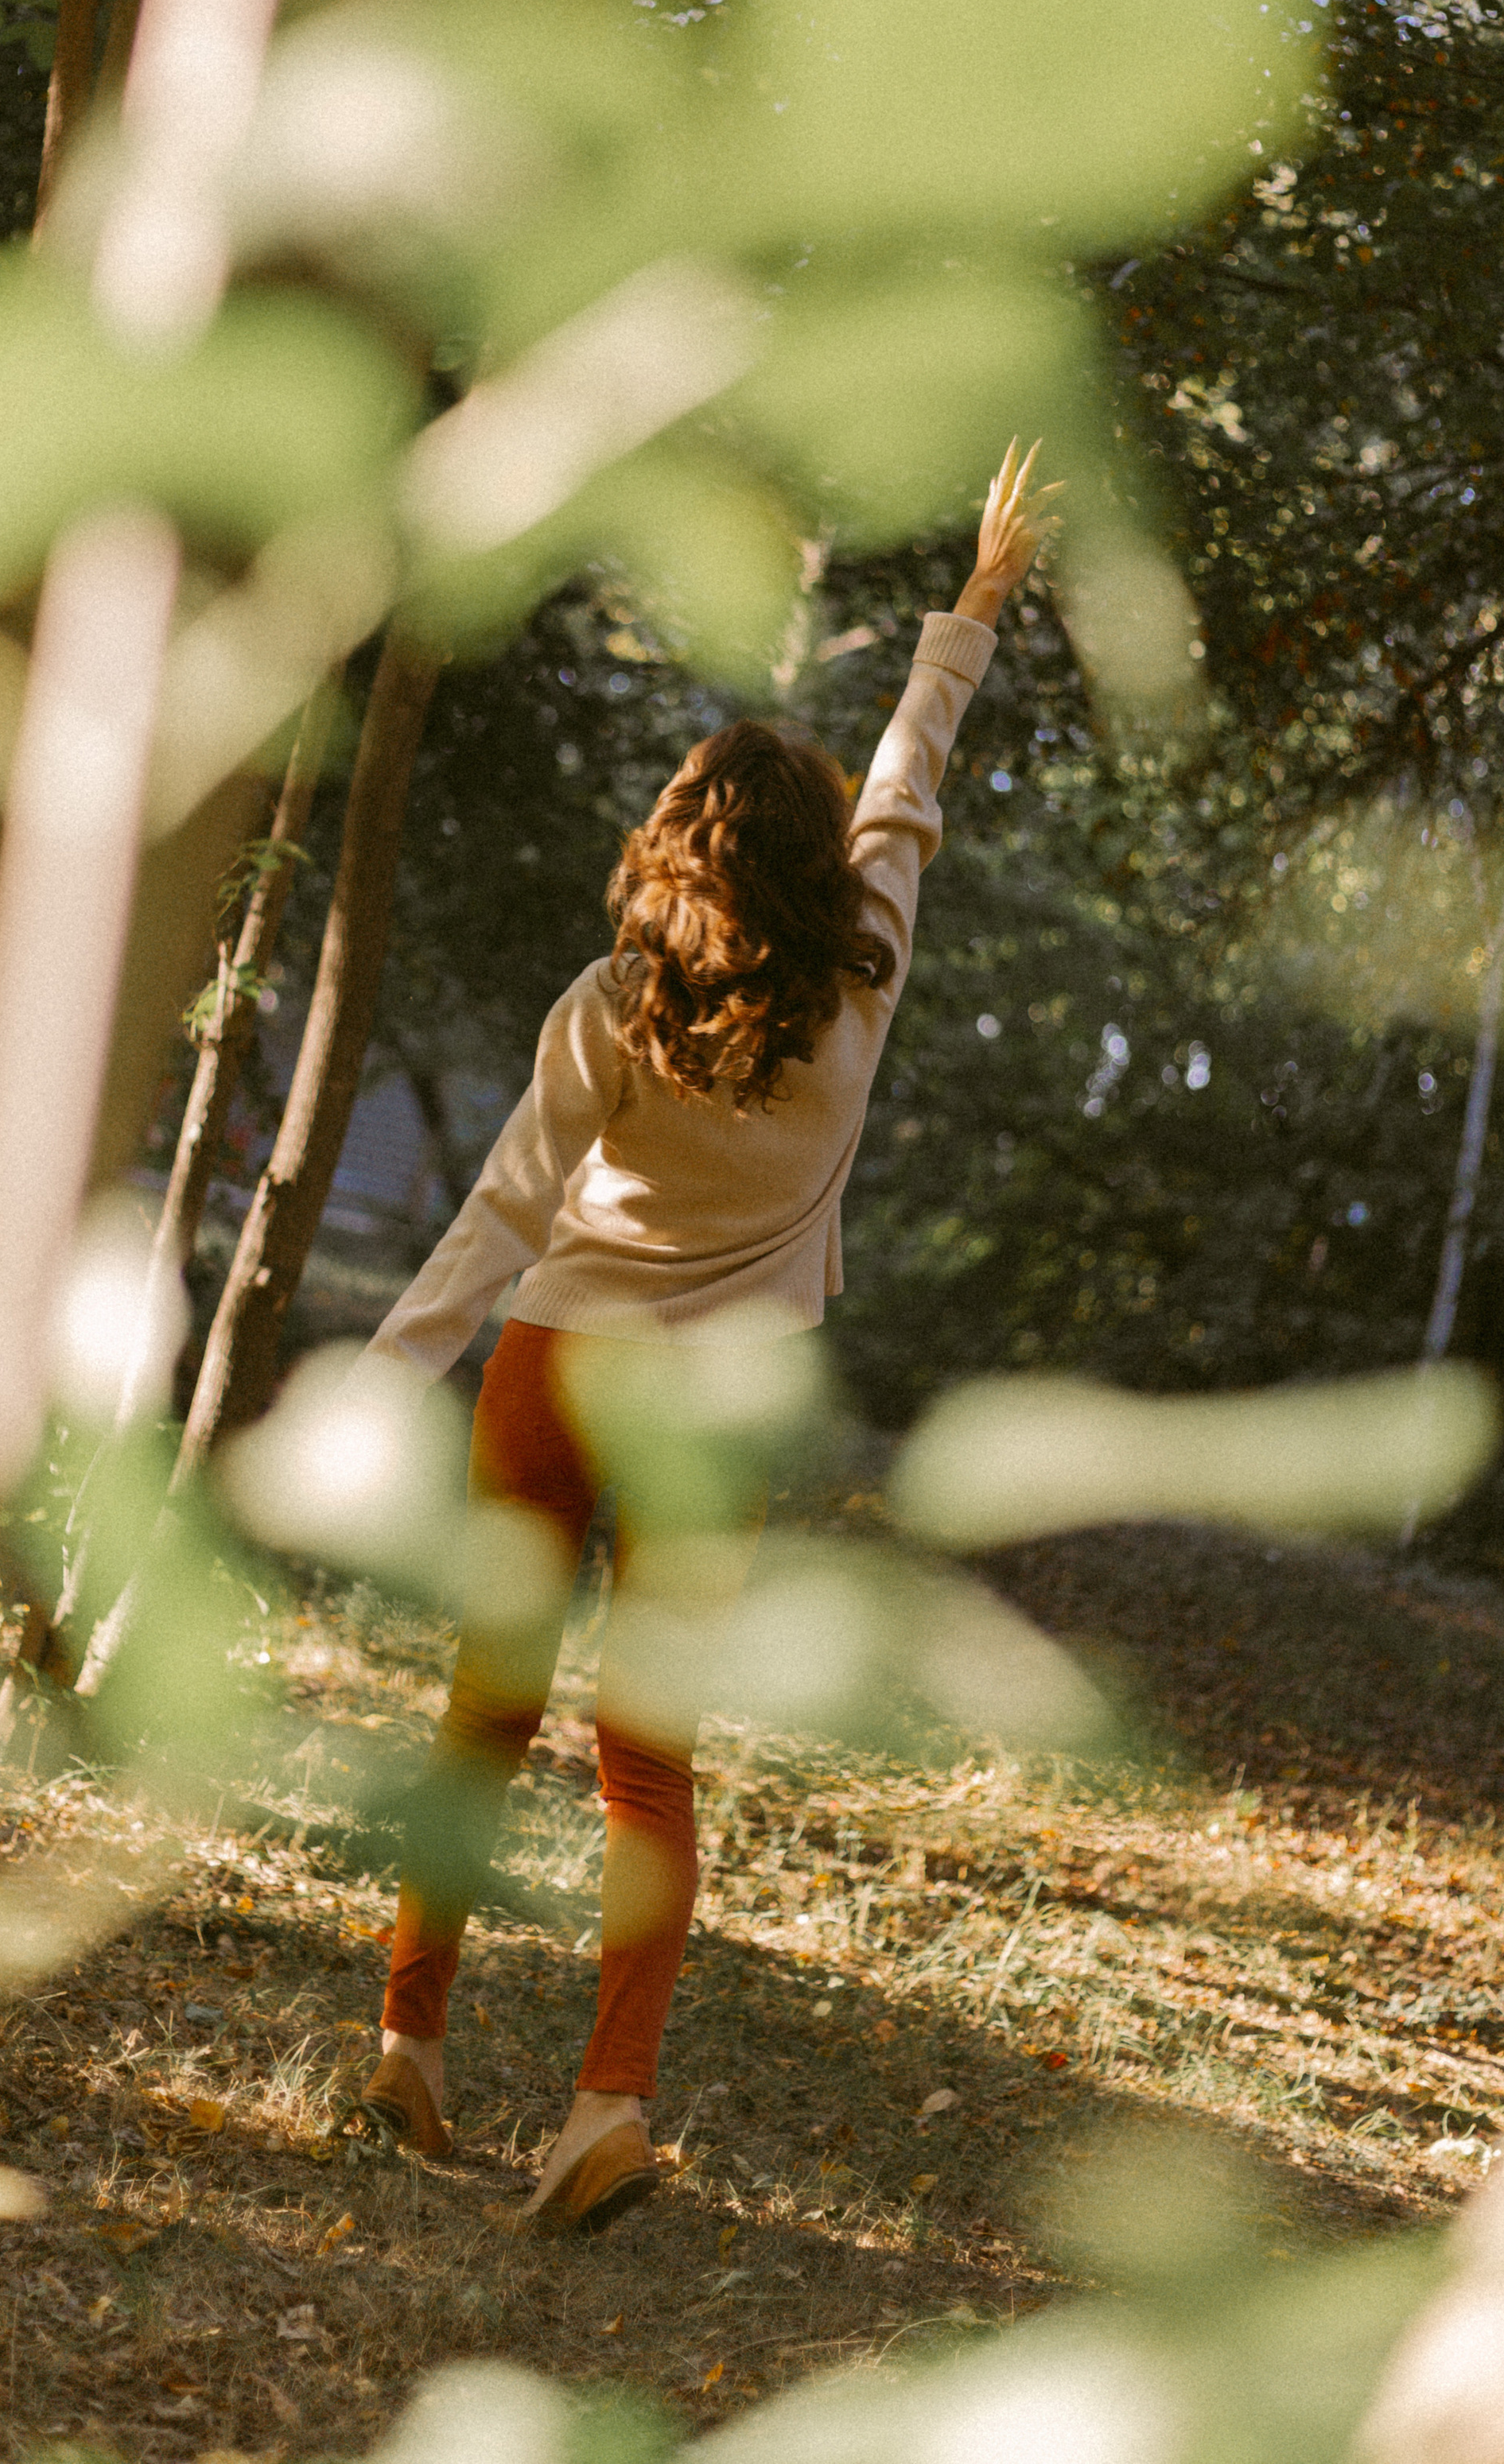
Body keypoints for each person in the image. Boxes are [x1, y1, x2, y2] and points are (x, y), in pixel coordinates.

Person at [354, 440, 1057, 2233]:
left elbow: (504, 1207)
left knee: (482, 1717)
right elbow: (908, 784)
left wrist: (377, 1387)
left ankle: (409, 2045)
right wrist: (968, 609)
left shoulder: (613, 1001)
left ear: (671, 849)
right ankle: (602, 2110)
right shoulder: (859, 983)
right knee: (643, 1760)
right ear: (822, 869)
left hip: (548, 1366)